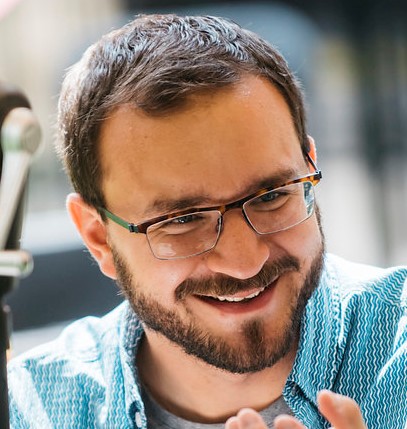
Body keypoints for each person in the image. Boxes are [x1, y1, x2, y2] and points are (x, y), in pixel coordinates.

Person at [7, 13, 406, 429]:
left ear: (309, 167)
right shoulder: (30, 412)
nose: (244, 262)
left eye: (272, 196)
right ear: (98, 238)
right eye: (183, 220)